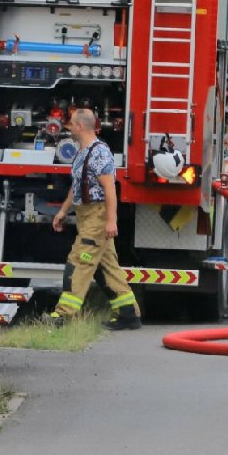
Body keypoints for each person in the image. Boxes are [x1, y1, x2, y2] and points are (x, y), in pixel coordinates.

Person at [45, 108, 141, 330]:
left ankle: (63, 315)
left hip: (97, 216)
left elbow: (110, 189)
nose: (68, 128)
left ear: (80, 126)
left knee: (79, 261)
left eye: (70, 125)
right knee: (107, 266)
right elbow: (77, 187)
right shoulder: (82, 152)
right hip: (85, 215)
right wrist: (62, 211)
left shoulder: (99, 153)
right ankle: (128, 314)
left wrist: (111, 221)